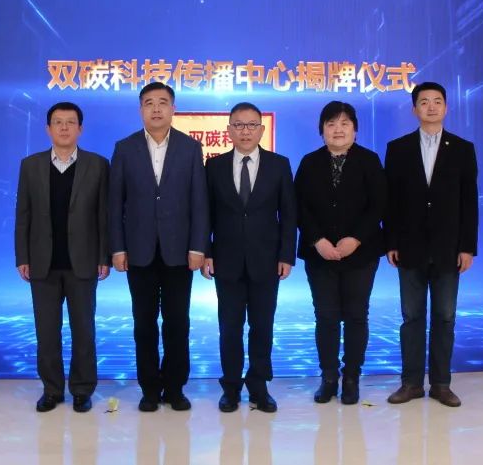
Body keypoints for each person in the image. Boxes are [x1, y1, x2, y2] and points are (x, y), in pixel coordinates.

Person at [109, 81, 210, 412]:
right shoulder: (124, 148)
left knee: (178, 322)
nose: (156, 108)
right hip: (138, 251)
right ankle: (150, 389)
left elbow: (199, 202)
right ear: (141, 110)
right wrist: (117, 248)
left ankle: (176, 387)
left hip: (180, 252)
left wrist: (198, 247)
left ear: (173, 109)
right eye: (149, 103)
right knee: (144, 324)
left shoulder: (190, 148)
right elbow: (115, 203)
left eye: (162, 102)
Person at [384, 81, 478, 408]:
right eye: (424, 102)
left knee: (445, 316)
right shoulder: (398, 148)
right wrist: (391, 241)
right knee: (411, 317)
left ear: (446, 107)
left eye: (437, 101)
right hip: (408, 247)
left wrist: (467, 247)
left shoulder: (463, 148)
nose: (431, 107)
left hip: (448, 248)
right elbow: (390, 201)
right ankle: (410, 383)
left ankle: (441, 384)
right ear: (415, 109)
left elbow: (469, 202)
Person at [14, 101, 110, 414]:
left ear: (80, 129)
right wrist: (22, 255)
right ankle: (52, 390)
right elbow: (23, 214)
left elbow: (104, 216)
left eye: (70, 122)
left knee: (84, 331)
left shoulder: (98, 165)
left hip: (83, 262)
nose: (64, 127)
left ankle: (82, 390)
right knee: (46, 332)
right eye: (58, 122)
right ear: (48, 129)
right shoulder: (30, 165)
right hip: (42, 263)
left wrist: (104, 256)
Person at [201, 102, 297, 413]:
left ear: (261, 129)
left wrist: (287, 255)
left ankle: (259, 386)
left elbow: (289, 214)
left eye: (252, 125)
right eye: (239, 125)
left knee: (262, 326)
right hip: (226, 260)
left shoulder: (279, 165)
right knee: (229, 327)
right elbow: (205, 214)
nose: (245, 131)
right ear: (229, 130)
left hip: (266, 261)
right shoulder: (214, 166)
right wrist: (206, 252)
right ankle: (230, 387)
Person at [294, 101, 387, 405]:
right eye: (331, 123)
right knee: (326, 316)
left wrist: (356, 238)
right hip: (320, 254)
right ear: (321, 130)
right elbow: (298, 206)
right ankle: (329, 377)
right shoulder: (309, 162)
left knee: (357, 315)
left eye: (345, 123)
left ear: (355, 130)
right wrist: (317, 240)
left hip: (360, 254)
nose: (338, 129)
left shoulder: (369, 160)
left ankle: (351, 377)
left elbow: (379, 205)